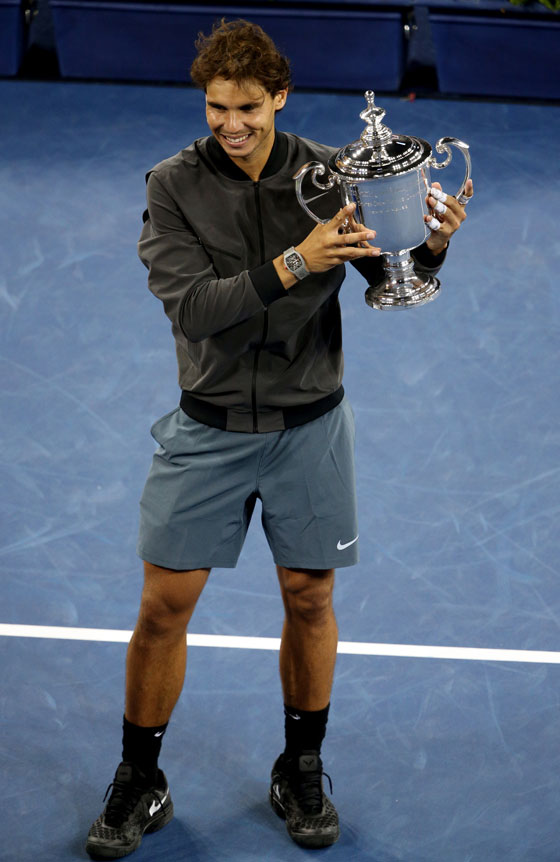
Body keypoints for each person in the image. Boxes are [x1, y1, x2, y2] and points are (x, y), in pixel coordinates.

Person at [85, 18, 472, 860]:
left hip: (311, 425)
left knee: (309, 598)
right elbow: (195, 309)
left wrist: (432, 244)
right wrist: (297, 262)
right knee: (163, 607)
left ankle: (301, 767)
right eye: (217, 107)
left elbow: (389, 274)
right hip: (209, 426)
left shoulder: (331, 175)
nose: (232, 124)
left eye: (249, 108)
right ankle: (139, 775)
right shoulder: (173, 186)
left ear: (280, 98)